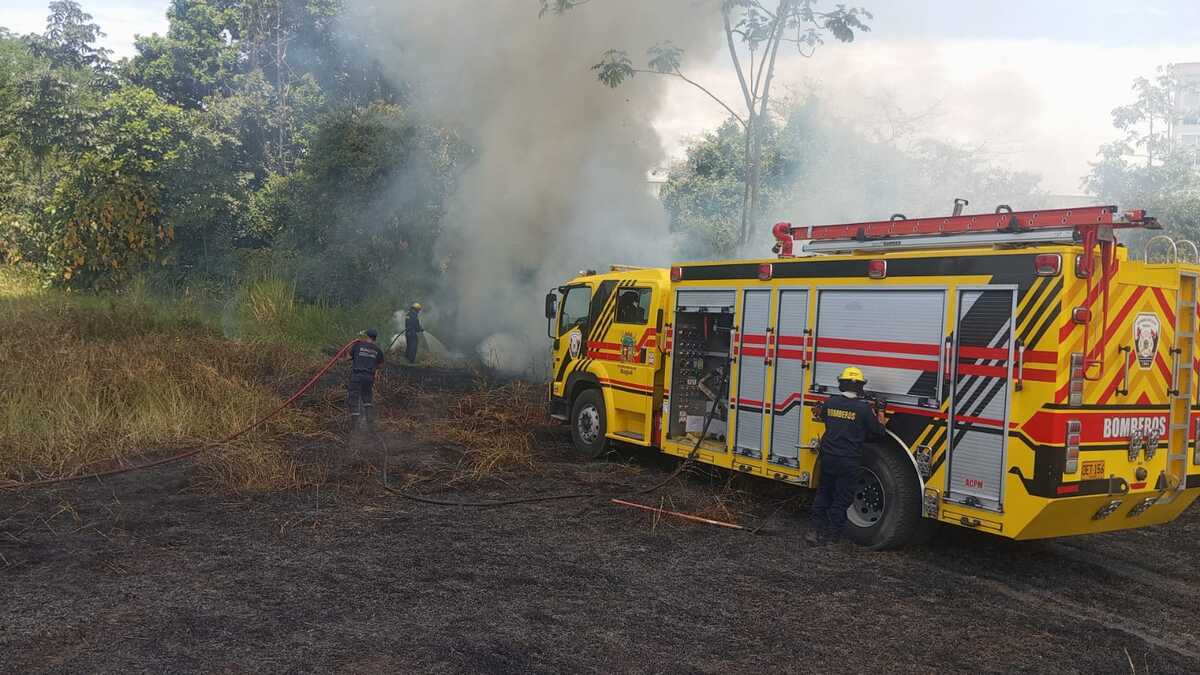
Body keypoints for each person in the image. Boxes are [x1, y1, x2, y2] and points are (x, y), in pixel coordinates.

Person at [806, 366, 887, 546]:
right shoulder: (864, 409)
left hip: (828, 458)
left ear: (841, 384)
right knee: (841, 499)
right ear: (860, 387)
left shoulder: (830, 403)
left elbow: (822, 417)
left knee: (824, 493)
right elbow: (879, 432)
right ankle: (832, 536)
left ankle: (813, 531)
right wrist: (881, 410)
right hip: (849, 461)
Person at [347, 328, 385, 430]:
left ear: (367, 336)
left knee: (353, 396)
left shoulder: (358, 345)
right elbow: (381, 365)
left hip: (357, 375)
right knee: (367, 396)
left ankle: (355, 423)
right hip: (369, 377)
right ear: (375, 338)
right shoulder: (378, 350)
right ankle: (369, 419)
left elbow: (348, 357)